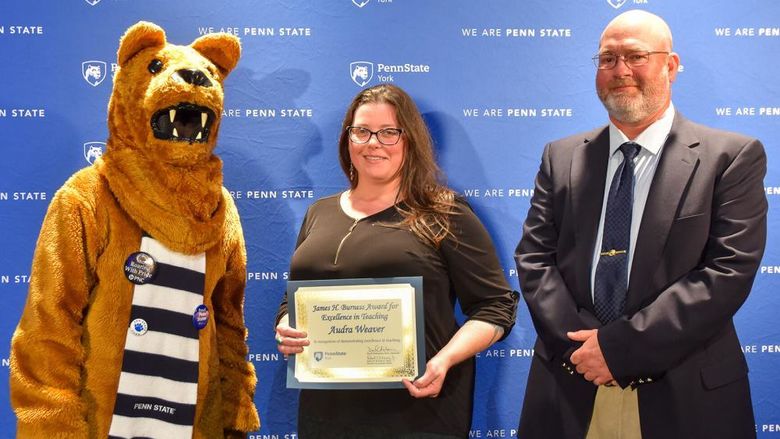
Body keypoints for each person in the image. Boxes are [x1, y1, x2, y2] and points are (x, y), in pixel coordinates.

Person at [515, 10, 766, 439]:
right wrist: (584, 350)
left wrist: (617, 350)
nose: (620, 71)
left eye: (635, 56)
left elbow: (726, 273)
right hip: (570, 387)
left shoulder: (731, 158)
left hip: (686, 394)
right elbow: (535, 260)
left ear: (670, 65)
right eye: (607, 59)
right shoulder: (561, 157)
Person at [274, 83, 518, 438]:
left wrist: (444, 360)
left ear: (410, 140)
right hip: (326, 414)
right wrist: (286, 325)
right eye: (362, 131)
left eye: (389, 132)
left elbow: (496, 307)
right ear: (347, 139)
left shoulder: (443, 212)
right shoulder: (318, 213)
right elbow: (295, 298)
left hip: (417, 414)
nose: (373, 142)